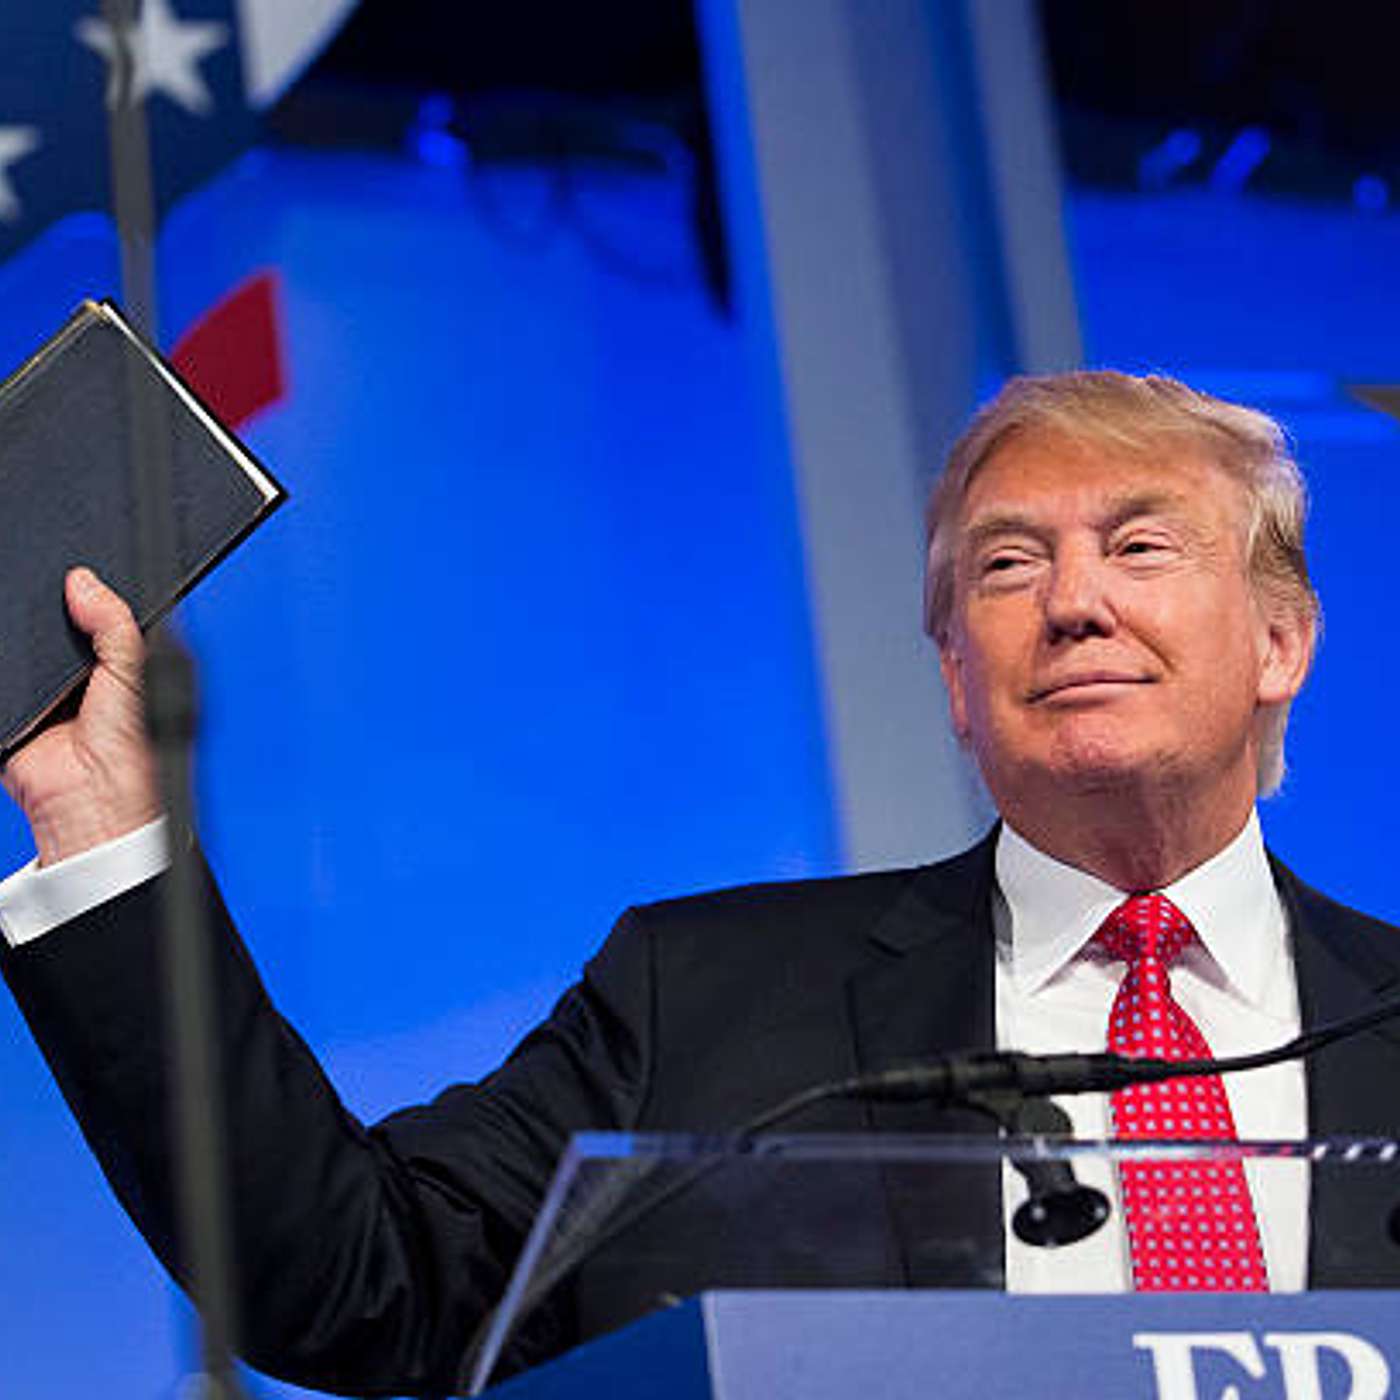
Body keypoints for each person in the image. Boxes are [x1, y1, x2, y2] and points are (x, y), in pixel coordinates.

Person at [4, 372, 1400, 1395]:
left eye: (1140, 545)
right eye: (1006, 564)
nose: (1074, 602)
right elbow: (361, 1277)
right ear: (955, 683)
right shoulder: (703, 1000)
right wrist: (102, 825)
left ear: (1282, 643)